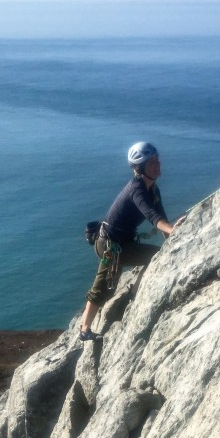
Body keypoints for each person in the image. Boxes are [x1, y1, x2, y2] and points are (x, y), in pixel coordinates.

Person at [79, 142, 181, 342]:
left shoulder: (153, 189)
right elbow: (152, 216)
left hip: (122, 243)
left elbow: (161, 217)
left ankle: (135, 292)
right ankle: (84, 330)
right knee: (103, 288)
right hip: (110, 245)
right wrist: (170, 229)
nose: (158, 164)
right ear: (141, 168)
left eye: (157, 159)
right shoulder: (137, 190)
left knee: (154, 257)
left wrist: (171, 235)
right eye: (152, 162)